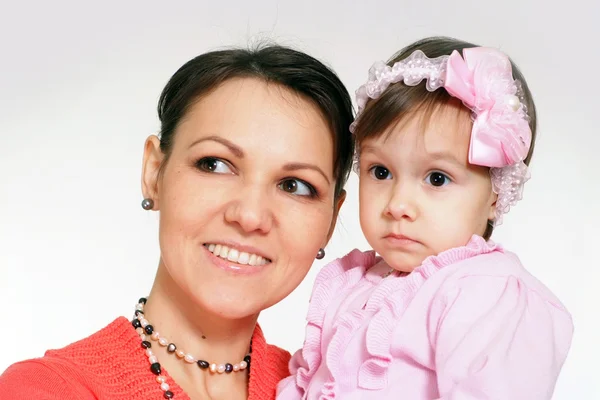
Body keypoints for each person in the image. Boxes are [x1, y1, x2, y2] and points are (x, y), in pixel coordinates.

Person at [0, 44, 355, 400]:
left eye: (295, 186)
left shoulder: (329, 388)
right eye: (214, 164)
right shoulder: (45, 391)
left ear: (331, 220)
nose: (250, 216)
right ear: (155, 172)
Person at [277, 36, 574, 399]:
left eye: (437, 178)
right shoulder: (355, 284)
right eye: (381, 171)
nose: (398, 204)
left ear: (495, 193)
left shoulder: (485, 293)